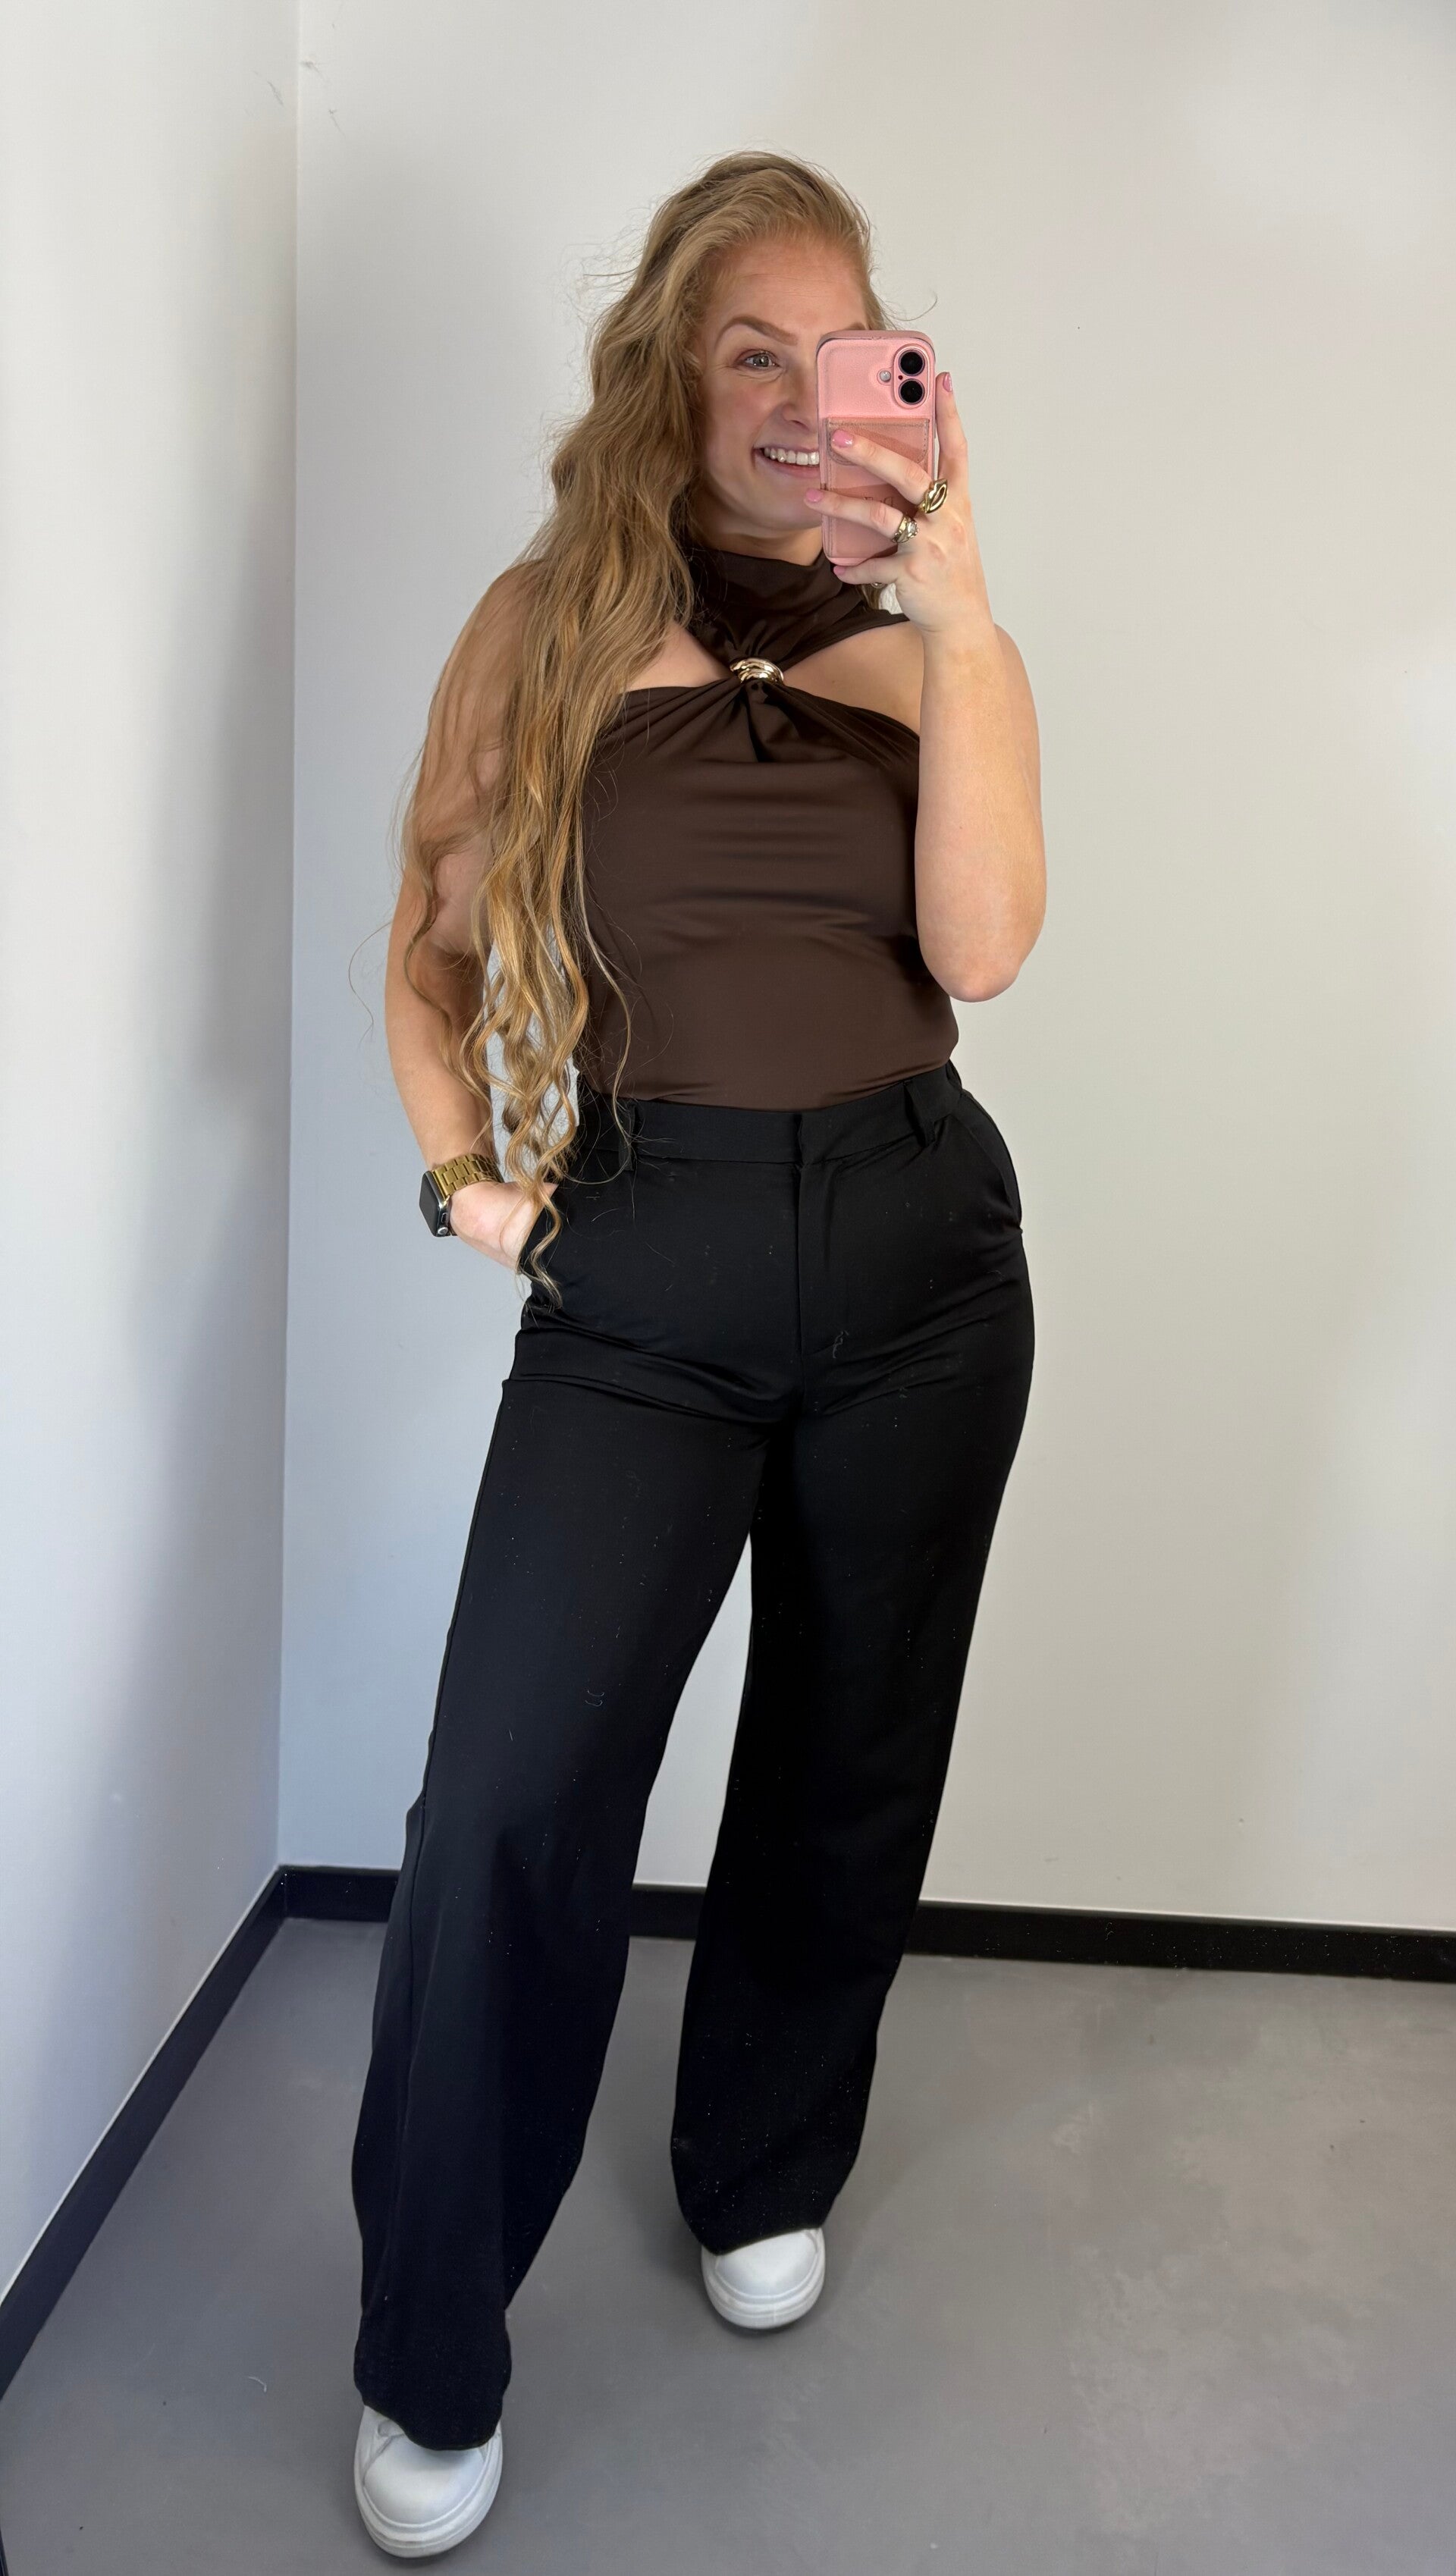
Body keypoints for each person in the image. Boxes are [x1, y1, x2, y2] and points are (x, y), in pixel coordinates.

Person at [348, 149, 1044, 2557]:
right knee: (508, 1801)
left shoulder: (930, 643)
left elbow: (986, 948)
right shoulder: (545, 626)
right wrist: (468, 1182)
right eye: (755, 349)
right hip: (644, 1267)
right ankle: (430, 2345)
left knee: (850, 1758)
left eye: (841, 351)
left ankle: (761, 2162)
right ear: (671, 371)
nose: (799, 395)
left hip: (921, 1256)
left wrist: (960, 613)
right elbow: (428, 947)